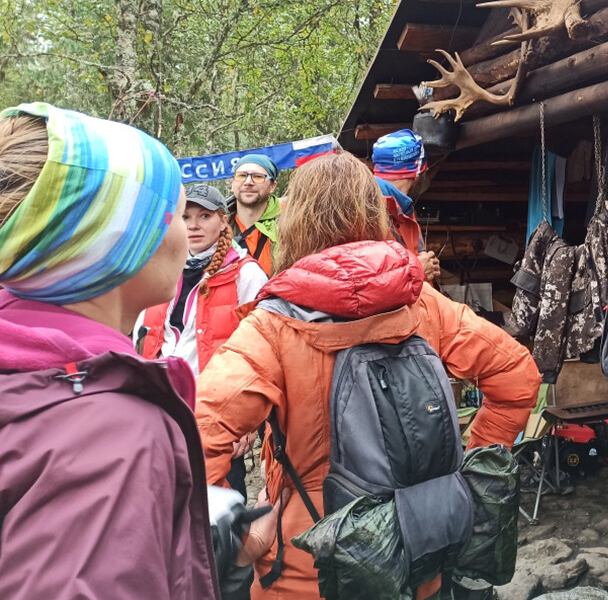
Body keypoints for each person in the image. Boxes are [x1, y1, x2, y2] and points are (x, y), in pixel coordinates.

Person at [195, 151, 541, 599]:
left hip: (309, 566)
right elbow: (516, 374)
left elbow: (196, 436)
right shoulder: (424, 304)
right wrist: (470, 474)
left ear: (293, 221)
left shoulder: (272, 327)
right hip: (417, 550)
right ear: (374, 213)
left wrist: (238, 539)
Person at [0, 103, 218, 599]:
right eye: (176, 212)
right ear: (122, 239)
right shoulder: (112, 434)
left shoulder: (27, 371)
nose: (186, 233)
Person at [137, 182, 268, 499]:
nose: (193, 225)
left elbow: (262, 354)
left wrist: (248, 423)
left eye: (204, 216)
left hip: (218, 418)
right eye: (185, 216)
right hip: (160, 412)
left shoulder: (246, 275)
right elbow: (140, 340)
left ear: (223, 220)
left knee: (217, 510)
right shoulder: (158, 270)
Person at [372, 129, 440, 282]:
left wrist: (427, 266)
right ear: (418, 174)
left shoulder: (404, 209)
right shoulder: (368, 210)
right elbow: (366, 284)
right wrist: (417, 271)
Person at [230, 152, 280, 276]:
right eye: (241, 176)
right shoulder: (217, 227)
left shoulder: (289, 225)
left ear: (272, 186)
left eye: (258, 177)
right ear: (232, 183)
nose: (248, 182)